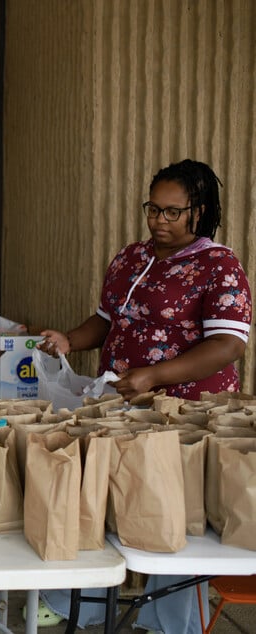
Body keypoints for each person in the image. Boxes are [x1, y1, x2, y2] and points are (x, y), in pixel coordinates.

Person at [37, 159, 252, 634]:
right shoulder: (131, 256)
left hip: (185, 416)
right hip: (122, 405)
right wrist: (71, 340)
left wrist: (154, 376)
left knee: (176, 516)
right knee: (108, 503)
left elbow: (228, 343)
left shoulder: (219, 265)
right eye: (153, 208)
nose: (159, 220)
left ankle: (172, 620)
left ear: (200, 212)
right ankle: (88, 607)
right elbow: (108, 320)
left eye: (172, 212)